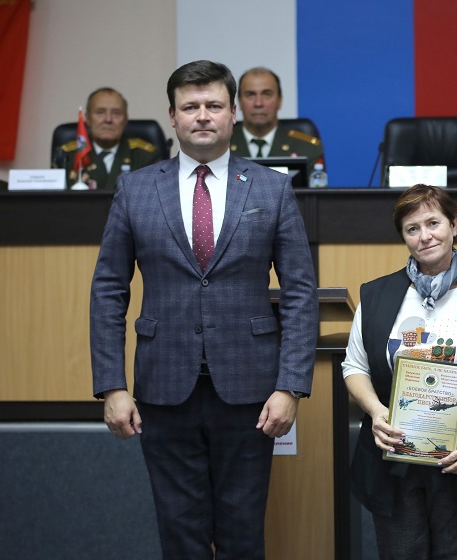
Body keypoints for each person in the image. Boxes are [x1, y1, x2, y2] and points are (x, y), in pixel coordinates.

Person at [90, 60, 318, 560]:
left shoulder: (272, 188)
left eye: (214, 105)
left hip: (251, 391)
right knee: (180, 535)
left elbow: (300, 291)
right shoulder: (135, 189)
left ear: (233, 113)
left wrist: (291, 386)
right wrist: (112, 385)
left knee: (242, 534)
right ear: (171, 116)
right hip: (163, 388)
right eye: (190, 106)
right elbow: (108, 289)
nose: (202, 116)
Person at [342, 184, 457, 560]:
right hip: (393, 456)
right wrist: (376, 412)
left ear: (453, 225)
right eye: (412, 228)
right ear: (403, 237)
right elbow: (355, 366)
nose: (424, 236)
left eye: (433, 223)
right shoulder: (375, 295)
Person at [54, 87, 161, 189]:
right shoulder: (67, 156)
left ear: (125, 120)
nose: (108, 119)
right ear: (88, 118)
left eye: (116, 113)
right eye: (100, 112)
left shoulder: (145, 156)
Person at [230, 67, 324, 175]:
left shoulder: (307, 149)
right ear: (239, 102)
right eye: (250, 95)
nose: (258, 103)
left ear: (280, 100)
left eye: (267, 94)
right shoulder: (220, 147)